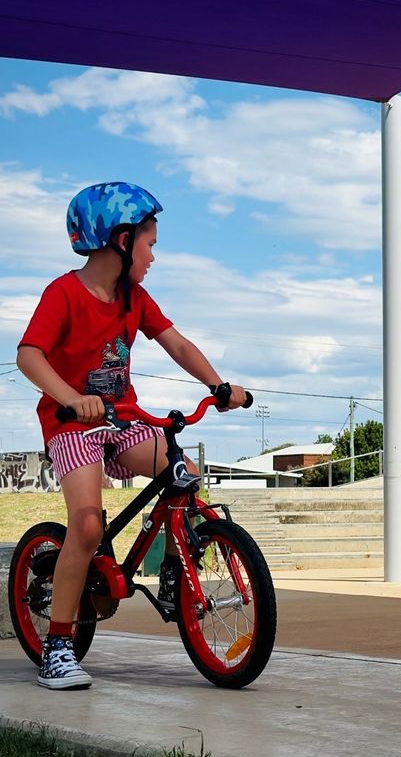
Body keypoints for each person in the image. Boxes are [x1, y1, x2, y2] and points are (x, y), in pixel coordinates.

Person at [17, 182, 246, 690]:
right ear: (120, 239)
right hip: (73, 424)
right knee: (86, 526)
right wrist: (71, 398)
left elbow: (177, 344)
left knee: (184, 471)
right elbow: (29, 354)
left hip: (122, 420)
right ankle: (57, 647)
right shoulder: (64, 293)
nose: (153, 256)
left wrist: (219, 386)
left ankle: (176, 568)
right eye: (150, 243)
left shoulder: (134, 299)